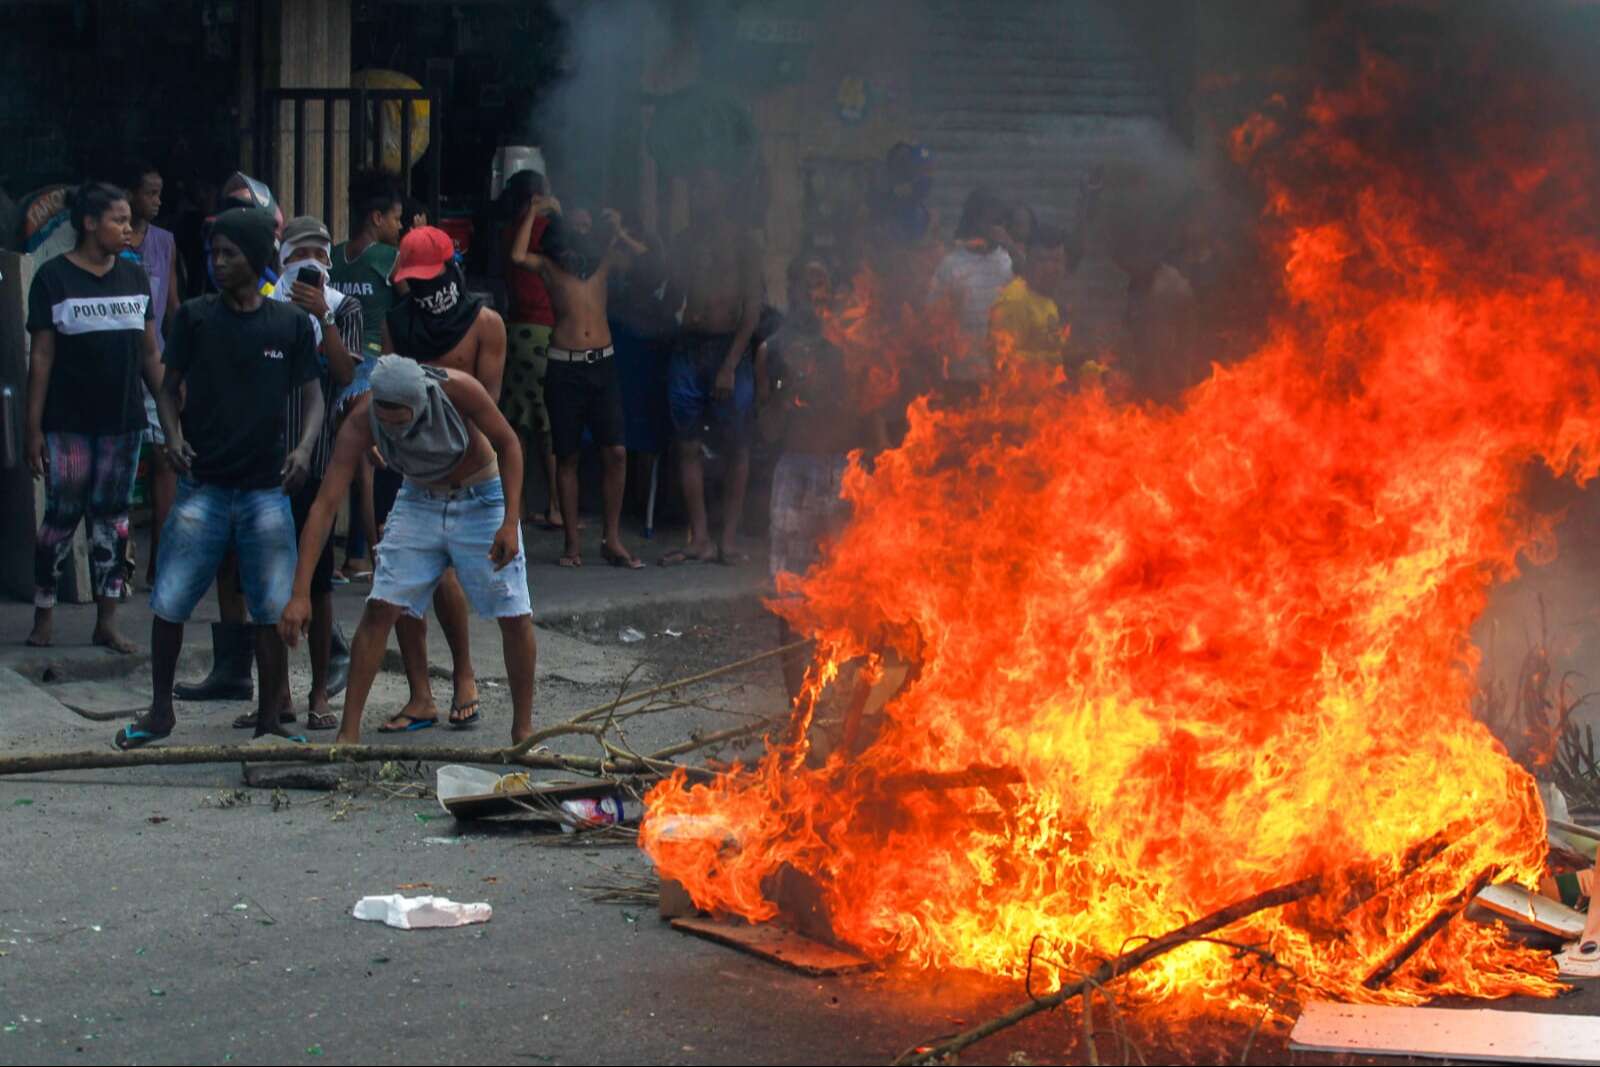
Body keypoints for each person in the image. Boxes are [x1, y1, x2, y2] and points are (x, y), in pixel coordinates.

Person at [113, 206, 323, 749]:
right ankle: (160, 712)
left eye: (230, 253)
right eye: (214, 253)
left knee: (272, 609)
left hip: (266, 492)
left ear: (256, 259)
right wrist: (173, 435)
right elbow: (166, 385)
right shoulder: (197, 319)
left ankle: (269, 718)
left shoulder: (291, 324)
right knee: (170, 600)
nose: (218, 262)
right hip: (202, 486)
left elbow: (314, 394)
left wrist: (303, 449)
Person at [280, 356, 536, 744]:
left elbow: (509, 445)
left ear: (421, 402)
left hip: (481, 496)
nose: (395, 430)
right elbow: (325, 505)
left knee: (513, 611)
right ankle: (348, 736)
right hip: (419, 498)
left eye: (403, 420)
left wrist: (509, 522)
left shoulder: (459, 389)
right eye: (388, 422)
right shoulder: (362, 420)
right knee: (381, 604)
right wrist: (299, 593)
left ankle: (523, 733)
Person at [221, 215, 360, 731]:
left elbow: (345, 375)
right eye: (300, 254)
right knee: (265, 585)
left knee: (317, 586)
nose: (311, 264)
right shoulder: (259, 305)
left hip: (318, 464)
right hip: (262, 463)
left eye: (320, 255)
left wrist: (322, 317)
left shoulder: (345, 308)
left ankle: (320, 692)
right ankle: (274, 695)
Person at [24, 181, 164, 652]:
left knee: (113, 521)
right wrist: (33, 429)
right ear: (88, 223)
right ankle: (43, 616)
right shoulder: (52, 278)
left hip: (123, 424)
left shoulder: (134, 278)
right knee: (60, 518)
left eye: (129, 221)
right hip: (68, 425)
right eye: (118, 221)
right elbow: (40, 358)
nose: (128, 230)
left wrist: (170, 414)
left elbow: (150, 354)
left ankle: (107, 620)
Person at [377, 224, 507, 730]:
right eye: (415, 280)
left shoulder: (485, 323)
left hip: (466, 468)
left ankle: (465, 676)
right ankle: (419, 695)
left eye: (430, 278)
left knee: (448, 575)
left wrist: (451, 452)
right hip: (408, 463)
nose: (423, 290)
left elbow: (488, 410)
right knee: (403, 579)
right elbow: (389, 392)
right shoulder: (398, 323)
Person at [760, 256, 879, 701]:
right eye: (807, 287)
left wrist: (875, 475)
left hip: (842, 472)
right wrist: (783, 392)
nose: (817, 296)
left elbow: (868, 411)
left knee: (852, 591)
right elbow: (767, 431)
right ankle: (798, 711)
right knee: (790, 596)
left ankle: (853, 710)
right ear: (791, 293)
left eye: (823, 286)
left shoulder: (849, 347)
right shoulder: (771, 350)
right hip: (794, 474)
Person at [510, 202, 646, 569]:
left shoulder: (603, 260)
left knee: (616, 451)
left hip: (602, 364)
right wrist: (533, 211)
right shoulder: (549, 266)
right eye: (578, 225)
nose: (584, 231)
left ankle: (611, 539)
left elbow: (647, 262)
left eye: (589, 225)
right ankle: (572, 544)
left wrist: (619, 233)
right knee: (567, 456)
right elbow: (518, 254)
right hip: (563, 367)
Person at [660, 168, 764, 567]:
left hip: (728, 350)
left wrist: (730, 363)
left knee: (737, 445)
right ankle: (700, 538)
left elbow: (752, 310)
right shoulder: (686, 241)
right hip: (689, 349)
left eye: (706, 191)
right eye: (696, 191)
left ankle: (729, 540)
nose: (698, 199)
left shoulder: (743, 244)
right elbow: (670, 293)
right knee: (686, 445)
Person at [329, 172, 404, 581]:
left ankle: (355, 555)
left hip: (334, 368)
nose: (400, 226)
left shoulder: (335, 258)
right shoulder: (390, 260)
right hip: (372, 369)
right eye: (396, 218)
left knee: (345, 464)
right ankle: (377, 561)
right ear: (376, 217)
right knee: (369, 469)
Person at [122, 161, 181, 587]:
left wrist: (179, 363)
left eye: (160, 193)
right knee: (123, 462)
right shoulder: (112, 241)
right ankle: (117, 563)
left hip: (156, 355)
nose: (157, 201)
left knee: (166, 455)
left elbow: (173, 303)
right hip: (119, 362)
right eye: (150, 192)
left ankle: (159, 559)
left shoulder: (165, 242)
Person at [497, 170, 564, 531]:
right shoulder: (541, 230)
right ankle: (555, 506)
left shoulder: (510, 229)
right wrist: (554, 212)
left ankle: (518, 505)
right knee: (548, 426)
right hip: (543, 333)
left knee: (517, 423)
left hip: (516, 331)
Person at [928, 187, 1014, 387]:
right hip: (962, 373)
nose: (995, 228)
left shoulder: (1008, 261)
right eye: (989, 221)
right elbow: (932, 317)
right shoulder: (951, 264)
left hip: (1002, 373)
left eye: (999, 221)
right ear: (974, 221)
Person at [988, 224, 1069, 367]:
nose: (1050, 268)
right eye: (1043, 260)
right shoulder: (1015, 301)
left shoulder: (1045, 297)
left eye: (1057, 260)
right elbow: (1002, 360)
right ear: (1028, 258)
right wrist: (1051, 360)